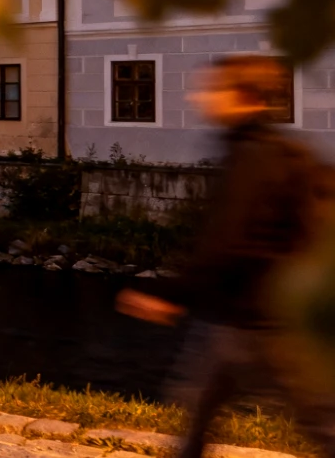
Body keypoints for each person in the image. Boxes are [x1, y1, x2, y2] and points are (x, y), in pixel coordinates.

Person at [118, 55, 335, 458]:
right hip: (257, 313)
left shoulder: (251, 156)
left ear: (245, 97)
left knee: (318, 418)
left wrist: (171, 295)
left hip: (255, 318)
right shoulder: (286, 151)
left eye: (214, 89)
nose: (198, 96)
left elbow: (225, 240)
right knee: (202, 408)